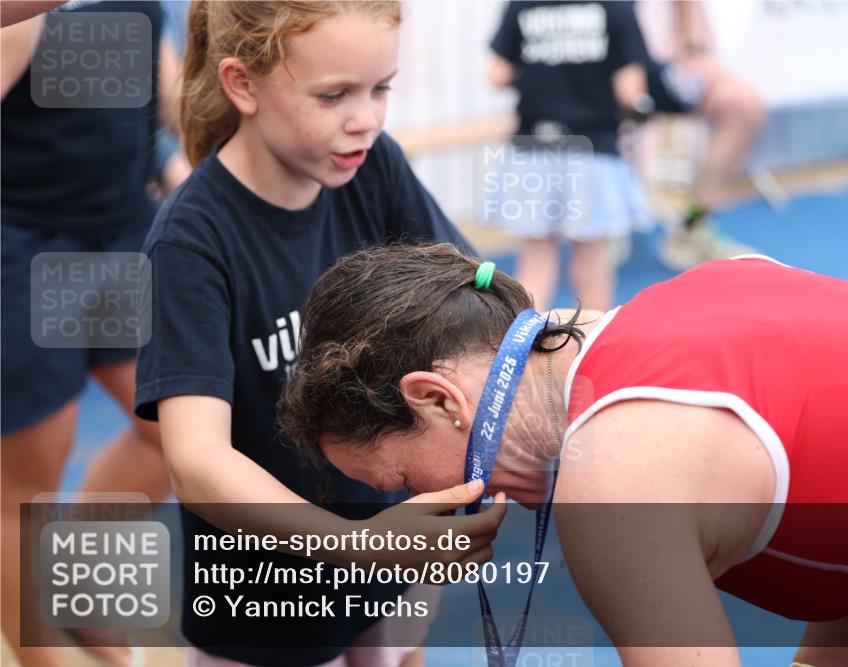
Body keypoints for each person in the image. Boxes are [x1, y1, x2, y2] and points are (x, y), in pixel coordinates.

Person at [280, 243, 848, 667]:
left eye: (404, 481)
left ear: (439, 398)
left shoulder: (612, 480)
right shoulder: (718, 278)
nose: (419, 508)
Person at [136, 3, 505, 666]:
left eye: (381, 88)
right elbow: (197, 463)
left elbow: (480, 291)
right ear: (242, 84)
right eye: (333, 94)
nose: (365, 117)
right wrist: (356, 543)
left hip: (391, 561)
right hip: (266, 607)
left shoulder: (374, 167)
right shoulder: (190, 243)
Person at [1, 3, 174, 665]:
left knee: (173, 426)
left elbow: (156, 78)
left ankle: (78, 576)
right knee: (29, 481)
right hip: (25, 245)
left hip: (119, 232)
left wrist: (186, 161)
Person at [484, 0, 655, 312]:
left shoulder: (523, 4)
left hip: (534, 146)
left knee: (534, 266)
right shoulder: (615, 7)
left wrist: (537, 74)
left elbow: (497, 73)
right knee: (591, 265)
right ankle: (592, 350)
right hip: (593, 149)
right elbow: (630, 91)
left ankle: (523, 351)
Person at [641, 0, 767, 270]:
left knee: (743, 106)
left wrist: (692, 54)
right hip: (588, 66)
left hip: (651, 68)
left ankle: (693, 226)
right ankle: (603, 230)